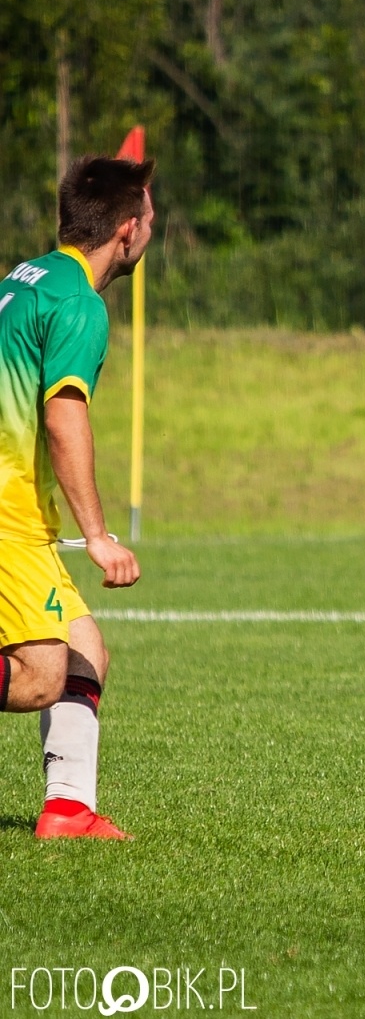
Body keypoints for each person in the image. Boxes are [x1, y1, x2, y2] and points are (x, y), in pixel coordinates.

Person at [0, 156, 148, 839]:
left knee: (85, 648)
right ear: (126, 231)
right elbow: (64, 416)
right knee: (37, 676)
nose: (153, 225)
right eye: (149, 214)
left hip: (17, 506)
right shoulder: (78, 303)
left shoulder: (29, 276)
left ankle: (67, 809)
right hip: (8, 510)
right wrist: (97, 533)